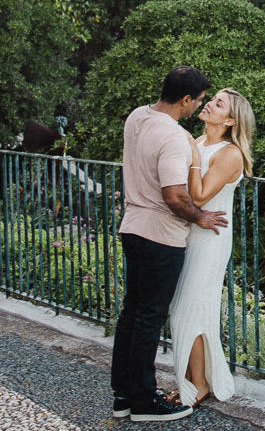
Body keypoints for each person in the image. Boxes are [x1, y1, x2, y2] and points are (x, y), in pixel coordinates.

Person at [111, 66, 228, 423]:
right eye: (201, 99)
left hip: (132, 226)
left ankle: (124, 395)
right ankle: (145, 401)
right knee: (149, 317)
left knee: (132, 312)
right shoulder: (175, 137)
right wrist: (202, 217)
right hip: (160, 236)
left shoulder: (137, 117)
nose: (201, 105)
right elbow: (175, 196)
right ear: (186, 100)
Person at [168, 88, 255, 408]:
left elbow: (201, 196)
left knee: (187, 309)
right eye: (212, 99)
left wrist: (191, 156)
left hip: (210, 241)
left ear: (230, 120)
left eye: (219, 104)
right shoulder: (200, 142)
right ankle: (193, 380)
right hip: (188, 233)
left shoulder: (229, 153)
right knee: (192, 309)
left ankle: (200, 384)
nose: (209, 104)